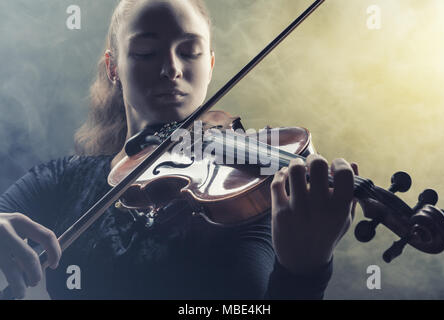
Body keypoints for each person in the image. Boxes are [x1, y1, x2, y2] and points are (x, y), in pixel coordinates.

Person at [0, 0, 358, 299]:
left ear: (210, 65)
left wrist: (305, 272)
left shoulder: (256, 197)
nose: (171, 68)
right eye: (145, 52)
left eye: (190, 52)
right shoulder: (63, 180)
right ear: (113, 68)